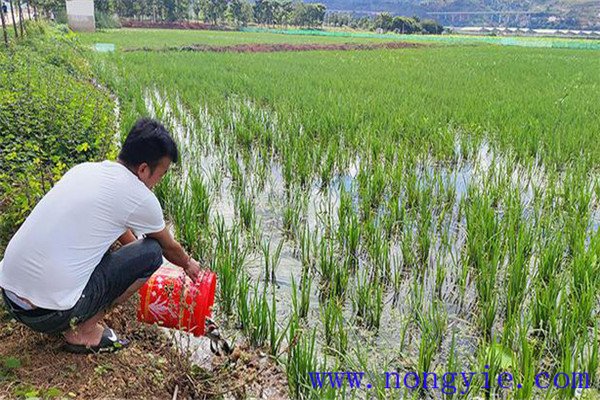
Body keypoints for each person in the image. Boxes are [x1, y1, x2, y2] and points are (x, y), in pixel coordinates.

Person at [0, 118, 201, 354]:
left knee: (131, 251)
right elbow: (169, 247)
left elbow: (119, 219)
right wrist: (189, 265)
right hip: (47, 316)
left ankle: (70, 310)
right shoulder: (140, 197)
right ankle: (82, 331)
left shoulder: (85, 170)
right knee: (152, 253)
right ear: (144, 169)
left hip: (10, 298)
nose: (159, 182)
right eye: (161, 174)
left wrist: (132, 257)